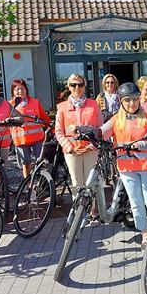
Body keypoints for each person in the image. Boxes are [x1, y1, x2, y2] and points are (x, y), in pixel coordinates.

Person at [101, 83, 147, 249]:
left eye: (135, 99)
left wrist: (143, 145)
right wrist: (85, 131)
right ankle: (145, 233)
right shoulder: (116, 120)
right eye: (127, 100)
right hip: (127, 168)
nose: (131, 103)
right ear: (121, 101)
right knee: (136, 202)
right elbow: (102, 132)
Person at [55, 73, 103, 201]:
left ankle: (92, 211)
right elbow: (58, 131)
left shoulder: (94, 105)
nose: (77, 87)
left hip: (90, 150)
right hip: (72, 151)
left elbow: (100, 129)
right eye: (73, 85)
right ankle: (79, 214)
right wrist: (69, 148)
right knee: (77, 184)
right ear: (69, 87)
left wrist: (91, 146)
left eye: (80, 84)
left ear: (85, 86)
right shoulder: (62, 107)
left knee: (90, 183)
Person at [9, 79, 51, 178]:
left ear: (26, 89)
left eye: (22, 88)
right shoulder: (10, 105)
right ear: (13, 91)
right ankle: (27, 185)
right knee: (25, 163)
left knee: (41, 162)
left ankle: (43, 183)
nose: (20, 91)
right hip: (20, 140)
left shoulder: (35, 102)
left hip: (37, 138)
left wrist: (51, 128)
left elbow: (44, 117)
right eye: (17, 89)